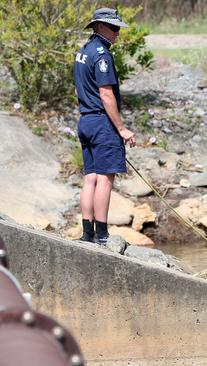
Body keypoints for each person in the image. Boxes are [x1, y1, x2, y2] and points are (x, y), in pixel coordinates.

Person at [73, 8, 136, 245]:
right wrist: (121, 128)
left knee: (90, 177)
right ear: (99, 26)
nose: (117, 33)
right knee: (104, 179)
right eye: (114, 27)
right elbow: (106, 93)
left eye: (118, 28)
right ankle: (102, 235)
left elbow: (78, 90)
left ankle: (87, 234)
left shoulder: (83, 51)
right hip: (102, 123)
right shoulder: (102, 55)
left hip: (86, 120)